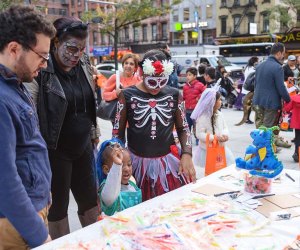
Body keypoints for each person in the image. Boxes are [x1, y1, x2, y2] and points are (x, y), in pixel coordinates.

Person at [25, 17, 100, 239]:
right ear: (55, 42)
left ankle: (96, 242)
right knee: (57, 210)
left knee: (90, 204)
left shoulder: (83, 62)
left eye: (82, 49)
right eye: (71, 48)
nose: (76, 55)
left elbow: (89, 104)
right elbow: (30, 118)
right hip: (54, 151)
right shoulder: (41, 70)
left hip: (83, 147)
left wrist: (94, 134)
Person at [0, 5, 56, 249]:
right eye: (42, 56)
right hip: (17, 224)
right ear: (14, 49)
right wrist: (39, 236)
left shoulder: (14, 84)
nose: (44, 64)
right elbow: (4, 179)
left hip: (28, 213)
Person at [112, 49, 196, 201]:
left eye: (162, 81)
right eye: (152, 81)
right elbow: (117, 132)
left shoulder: (175, 94)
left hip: (168, 164)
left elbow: (183, 127)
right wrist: (119, 159)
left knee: (170, 206)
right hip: (135, 164)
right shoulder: (126, 95)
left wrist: (187, 153)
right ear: (142, 73)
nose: (157, 87)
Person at [252, 43, 291, 148]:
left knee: (260, 127)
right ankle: (264, 151)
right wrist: (288, 99)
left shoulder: (260, 65)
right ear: (278, 53)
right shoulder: (278, 67)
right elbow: (281, 87)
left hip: (258, 100)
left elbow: (256, 84)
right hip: (271, 103)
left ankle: (264, 147)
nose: (283, 56)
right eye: (283, 53)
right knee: (267, 128)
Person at [191, 88, 234, 177]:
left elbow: (225, 127)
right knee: (208, 171)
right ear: (212, 102)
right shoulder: (202, 117)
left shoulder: (220, 114)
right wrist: (213, 138)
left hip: (220, 148)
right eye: (219, 100)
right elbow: (199, 134)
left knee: (221, 169)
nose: (221, 102)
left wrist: (225, 135)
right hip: (206, 150)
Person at [96, 139, 142, 216]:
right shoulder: (106, 189)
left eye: (129, 164)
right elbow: (110, 197)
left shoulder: (132, 183)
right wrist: (117, 165)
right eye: (121, 166)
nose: (127, 169)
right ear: (106, 169)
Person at [183, 67, 206, 145]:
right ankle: (188, 140)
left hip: (196, 111)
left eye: (190, 75)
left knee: (197, 126)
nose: (187, 77)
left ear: (195, 76)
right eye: (187, 75)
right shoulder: (185, 86)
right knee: (187, 127)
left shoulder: (200, 85)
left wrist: (199, 97)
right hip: (187, 111)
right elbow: (184, 97)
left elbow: (205, 94)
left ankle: (198, 140)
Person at [240, 56, 259, 124]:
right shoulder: (252, 69)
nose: (258, 62)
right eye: (257, 61)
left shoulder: (247, 68)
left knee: (247, 104)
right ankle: (247, 119)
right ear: (254, 62)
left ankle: (246, 118)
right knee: (249, 105)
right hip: (249, 88)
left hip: (246, 88)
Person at [284, 94, 300, 162]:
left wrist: (285, 102)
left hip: (297, 123)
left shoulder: (294, 99)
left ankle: (297, 154)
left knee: (298, 138)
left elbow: (287, 108)